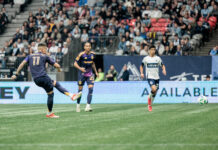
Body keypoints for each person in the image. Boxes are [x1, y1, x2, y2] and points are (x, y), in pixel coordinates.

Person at [11, 43, 82, 118]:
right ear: (42, 49)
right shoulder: (45, 56)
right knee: (53, 89)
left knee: (52, 89)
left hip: (36, 80)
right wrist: (58, 69)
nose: (46, 51)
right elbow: (57, 65)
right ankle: (71, 96)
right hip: (43, 77)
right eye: (46, 49)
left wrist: (16, 74)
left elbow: (22, 64)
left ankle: (51, 112)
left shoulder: (30, 56)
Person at [140, 45, 167, 112]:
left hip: (157, 77)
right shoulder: (146, 58)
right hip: (150, 77)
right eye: (152, 49)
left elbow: (162, 65)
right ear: (149, 50)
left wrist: (164, 70)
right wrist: (142, 73)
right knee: (154, 89)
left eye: (154, 49)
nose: (153, 51)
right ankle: (149, 104)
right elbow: (141, 66)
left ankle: (150, 102)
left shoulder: (158, 58)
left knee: (155, 92)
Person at [74, 42, 98, 112]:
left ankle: (88, 106)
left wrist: (96, 72)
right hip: (82, 75)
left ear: (90, 47)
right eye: (86, 46)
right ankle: (78, 105)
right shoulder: (81, 54)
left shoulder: (93, 54)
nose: (88, 47)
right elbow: (75, 63)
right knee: (80, 91)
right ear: (84, 47)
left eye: (89, 46)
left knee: (91, 89)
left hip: (90, 74)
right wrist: (80, 68)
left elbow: (93, 63)